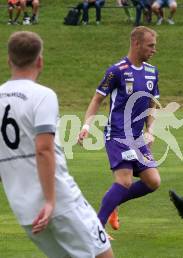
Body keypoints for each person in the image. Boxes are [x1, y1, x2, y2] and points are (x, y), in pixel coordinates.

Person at [0, 31, 114, 258]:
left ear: (8, 60)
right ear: (40, 61)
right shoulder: (43, 95)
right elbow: (43, 149)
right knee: (103, 255)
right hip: (60, 201)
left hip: (23, 208)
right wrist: (51, 202)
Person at [77, 26, 160, 233]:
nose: (154, 50)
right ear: (136, 43)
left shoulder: (152, 72)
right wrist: (86, 125)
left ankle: (113, 204)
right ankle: (96, 228)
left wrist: (150, 129)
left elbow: (152, 105)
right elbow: (97, 99)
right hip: (117, 134)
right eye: (150, 46)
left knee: (153, 181)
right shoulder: (116, 71)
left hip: (137, 137)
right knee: (124, 181)